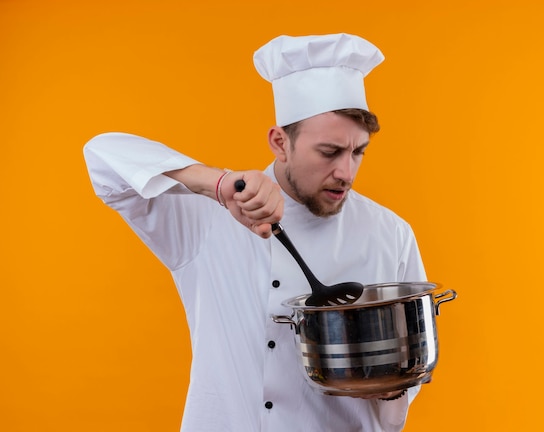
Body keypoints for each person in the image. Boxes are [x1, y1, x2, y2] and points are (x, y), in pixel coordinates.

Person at [84, 33, 427, 432]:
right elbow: (103, 159)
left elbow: (405, 380)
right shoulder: (206, 217)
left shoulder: (391, 234)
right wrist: (215, 183)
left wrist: (389, 386)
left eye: (358, 152)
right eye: (329, 152)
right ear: (280, 143)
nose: (346, 172)